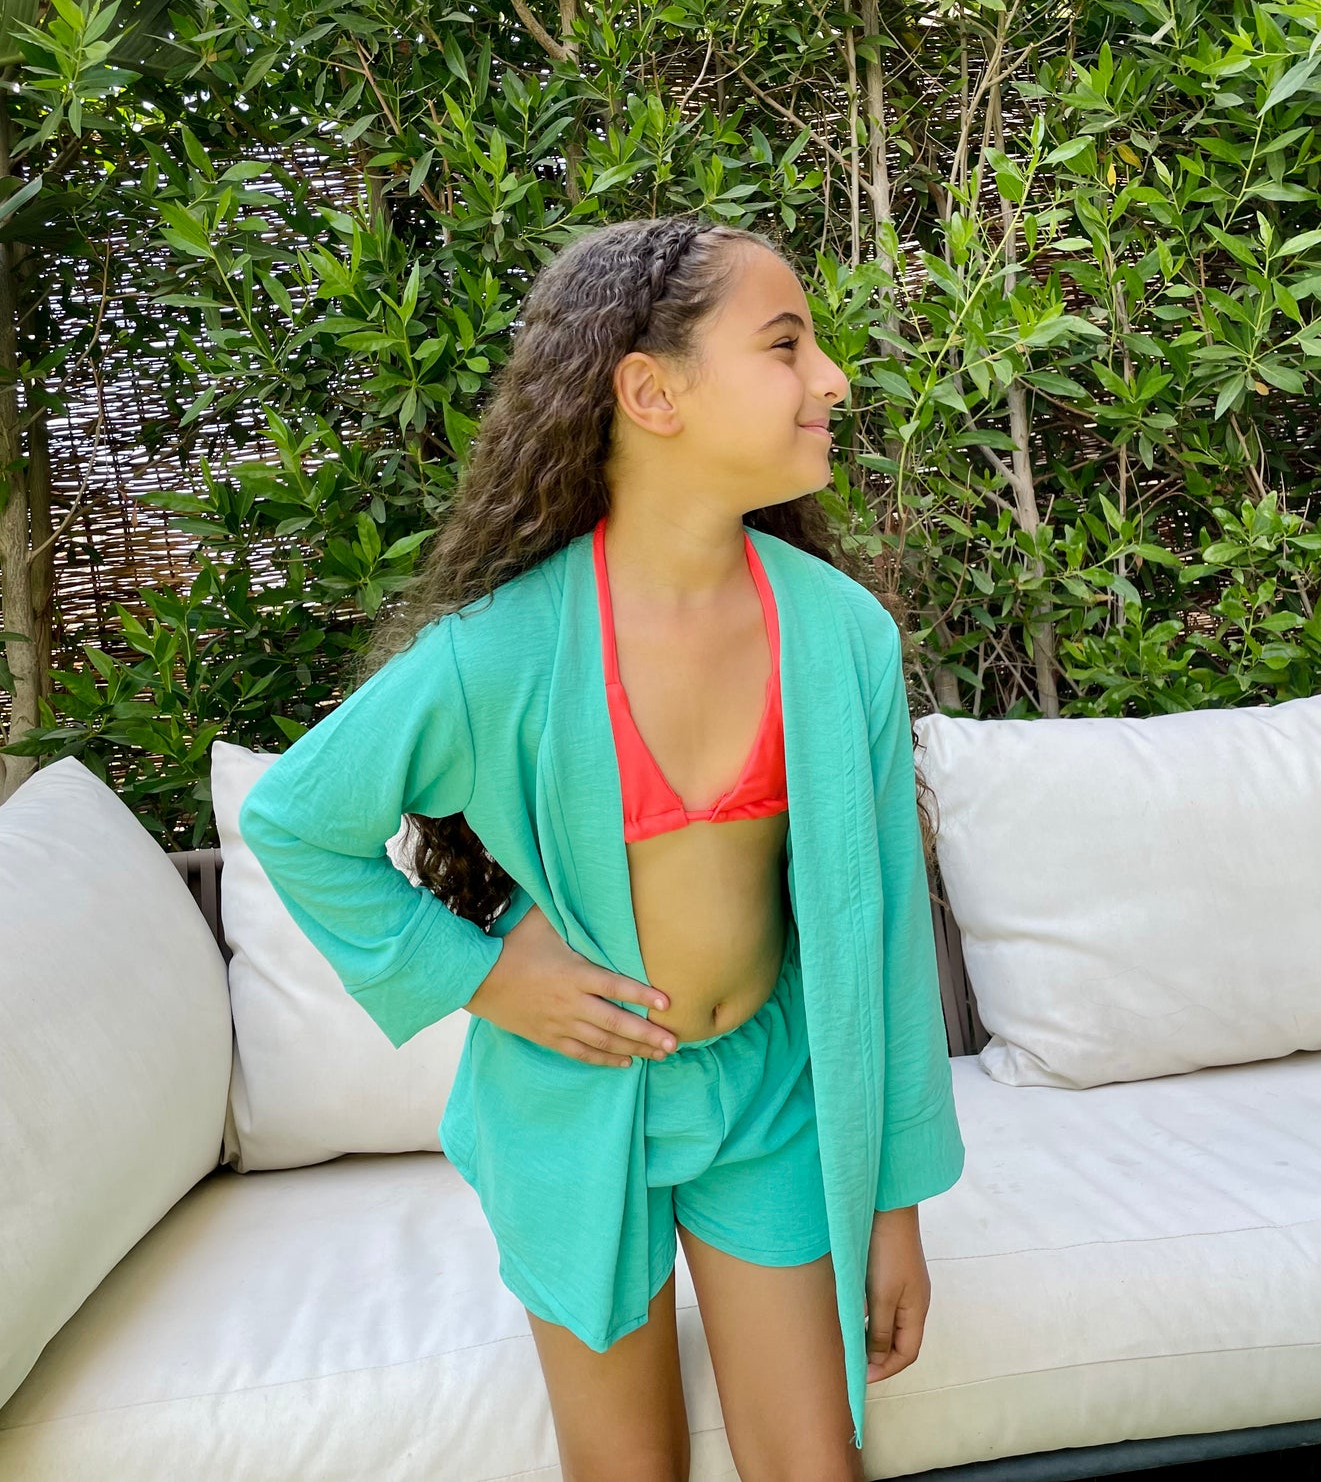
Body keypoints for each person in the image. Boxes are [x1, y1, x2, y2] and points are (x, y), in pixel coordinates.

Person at [238, 214, 965, 1481]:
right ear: (650, 392)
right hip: (571, 1113)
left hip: (770, 1099)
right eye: (785, 345)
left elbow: (882, 934)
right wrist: (484, 976)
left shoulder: (840, 634)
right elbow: (294, 820)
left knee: (814, 1464)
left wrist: (890, 1204)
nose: (833, 378)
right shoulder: (502, 648)